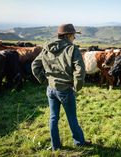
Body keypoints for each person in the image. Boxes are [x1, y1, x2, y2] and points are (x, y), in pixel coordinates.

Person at [31, 23, 91, 151]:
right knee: (72, 118)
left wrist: (44, 80)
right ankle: (79, 142)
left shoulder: (47, 47)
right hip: (65, 89)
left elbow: (35, 66)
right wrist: (77, 86)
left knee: (53, 118)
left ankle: (55, 146)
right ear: (68, 35)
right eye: (74, 35)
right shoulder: (72, 49)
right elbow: (80, 70)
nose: (74, 38)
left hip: (51, 89)